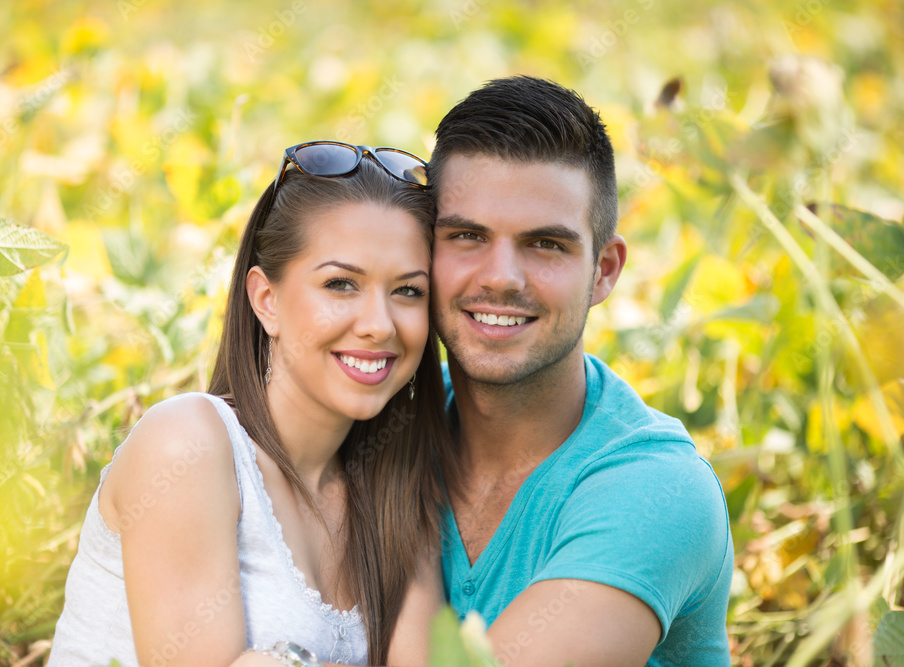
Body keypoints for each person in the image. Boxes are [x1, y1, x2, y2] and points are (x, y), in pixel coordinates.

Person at [49, 141, 457, 667]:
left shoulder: (395, 492)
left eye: (407, 292)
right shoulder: (189, 442)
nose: (379, 323)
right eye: (341, 284)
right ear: (266, 300)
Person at [426, 76, 734, 666]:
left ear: (604, 270)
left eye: (545, 244)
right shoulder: (386, 427)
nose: (501, 278)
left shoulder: (660, 490)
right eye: (466, 235)